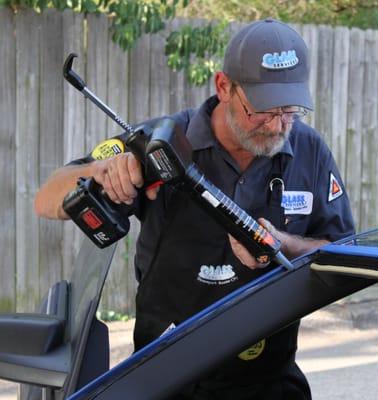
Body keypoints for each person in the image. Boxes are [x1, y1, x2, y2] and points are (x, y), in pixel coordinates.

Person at [35, 18, 354, 399]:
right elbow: (47, 198)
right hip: (167, 377)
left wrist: (283, 244)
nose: (276, 125)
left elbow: (344, 253)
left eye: (290, 109)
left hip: (269, 381)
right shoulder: (163, 143)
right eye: (263, 110)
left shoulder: (309, 151)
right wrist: (104, 172)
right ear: (223, 87)